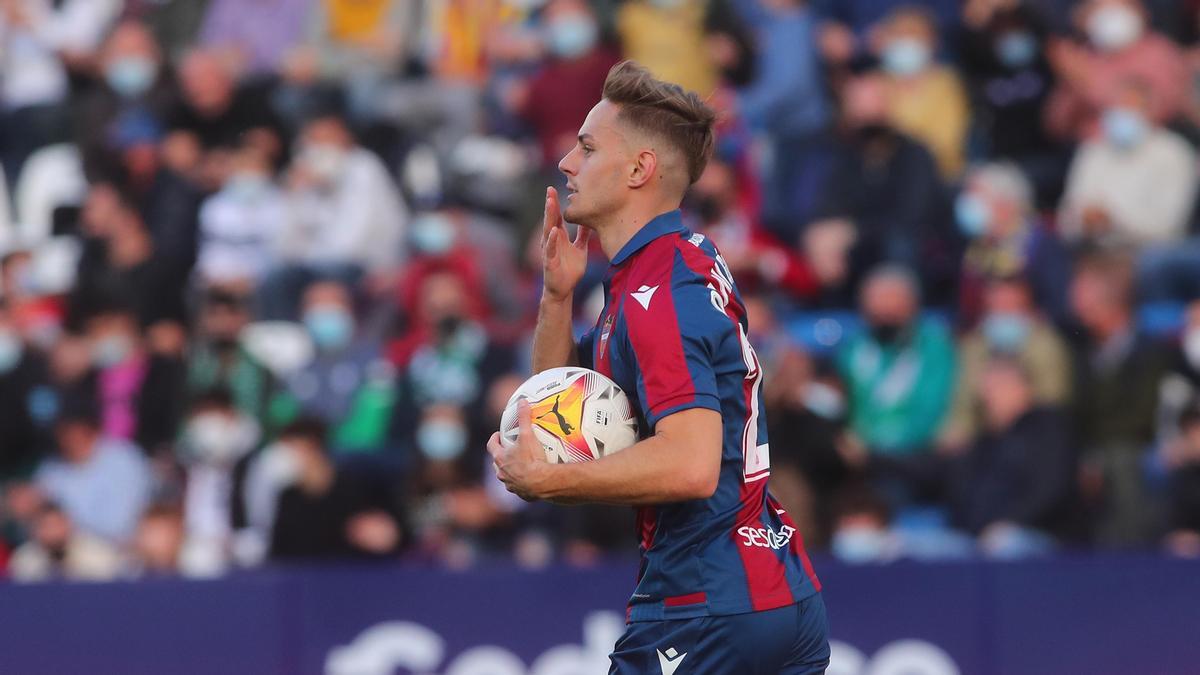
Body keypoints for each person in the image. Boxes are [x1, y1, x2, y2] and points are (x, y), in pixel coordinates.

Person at [487, 61, 828, 674]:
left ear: (641, 169)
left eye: (587, 147)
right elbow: (555, 408)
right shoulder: (664, 266)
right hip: (768, 587)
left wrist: (549, 483)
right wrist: (557, 297)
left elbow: (691, 466)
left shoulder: (661, 290)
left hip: (704, 605)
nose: (566, 162)